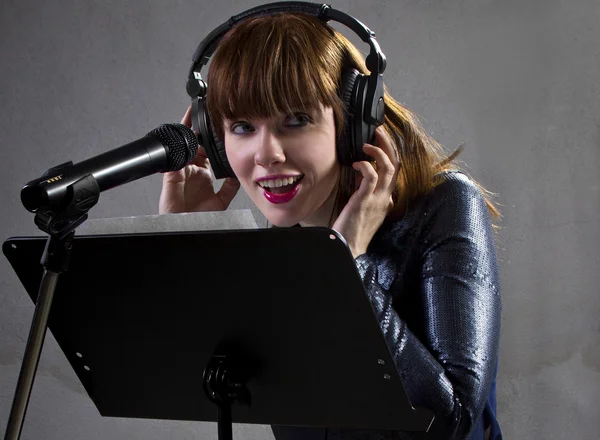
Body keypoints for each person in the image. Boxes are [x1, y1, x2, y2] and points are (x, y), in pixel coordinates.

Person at [159, 8, 502, 440]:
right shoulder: (277, 245)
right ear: (217, 142)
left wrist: (346, 265)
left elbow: (450, 424)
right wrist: (194, 248)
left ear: (351, 124)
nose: (267, 154)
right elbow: (215, 388)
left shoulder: (445, 203)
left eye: (296, 120)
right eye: (243, 126)